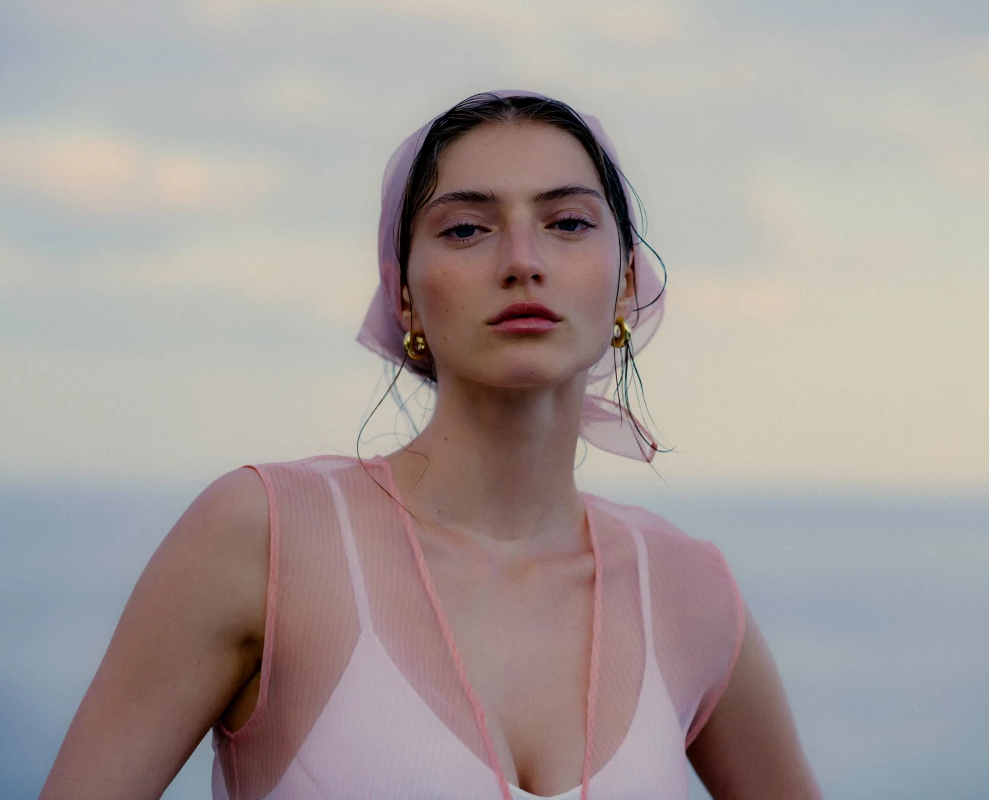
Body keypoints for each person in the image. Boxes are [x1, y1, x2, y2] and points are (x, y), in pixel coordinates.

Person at [40, 91, 821, 800]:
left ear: (624, 285)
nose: (523, 261)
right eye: (467, 229)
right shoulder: (267, 538)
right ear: (403, 291)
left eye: (569, 223)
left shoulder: (686, 590)